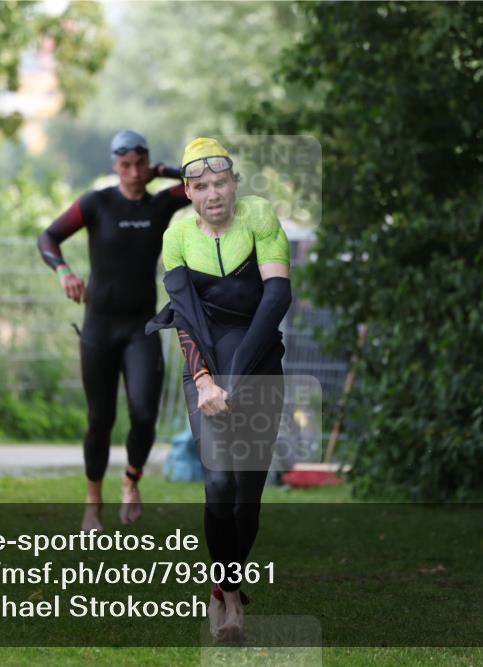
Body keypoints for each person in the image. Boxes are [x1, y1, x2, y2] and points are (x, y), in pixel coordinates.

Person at [146, 137, 292, 641]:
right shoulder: (178, 235)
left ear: (235, 184)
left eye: (220, 183)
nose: (213, 194)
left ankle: (221, 581)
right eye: (201, 186)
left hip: (258, 363)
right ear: (188, 190)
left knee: (247, 496)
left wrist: (237, 377)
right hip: (203, 369)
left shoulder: (259, 217)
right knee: (219, 485)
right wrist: (207, 379)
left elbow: (277, 298)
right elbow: (184, 317)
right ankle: (230, 601)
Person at [38, 130, 190, 531]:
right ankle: (92, 503)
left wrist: (164, 171)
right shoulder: (97, 203)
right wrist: (64, 271)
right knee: (100, 419)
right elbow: (48, 237)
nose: (134, 172)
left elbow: (204, 181)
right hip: (99, 327)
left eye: (141, 164)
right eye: (126, 165)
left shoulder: (160, 206)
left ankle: (131, 480)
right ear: (114, 166)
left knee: (143, 413)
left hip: (141, 326)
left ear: (148, 164)